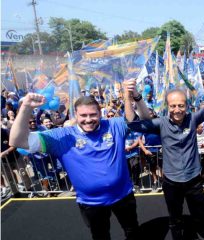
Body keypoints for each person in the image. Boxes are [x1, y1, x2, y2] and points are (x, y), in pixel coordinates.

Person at [9, 79, 150, 240]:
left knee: (132, 232)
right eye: (83, 115)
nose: (88, 119)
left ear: (100, 113)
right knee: (101, 236)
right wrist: (26, 107)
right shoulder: (61, 136)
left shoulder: (114, 125)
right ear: (76, 114)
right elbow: (17, 141)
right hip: (91, 204)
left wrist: (136, 96)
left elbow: (145, 120)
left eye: (93, 114)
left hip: (123, 196)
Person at [126, 63, 204, 240]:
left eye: (180, 105)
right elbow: (133, 124)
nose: (177, 110)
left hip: (193, 180)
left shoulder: (193, 119)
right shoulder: (161, 124)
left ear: (187, 106)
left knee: (200, 215)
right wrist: (130, 96)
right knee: (175, 218)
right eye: (173, 106)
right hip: (171, 182)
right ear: (167, 107)